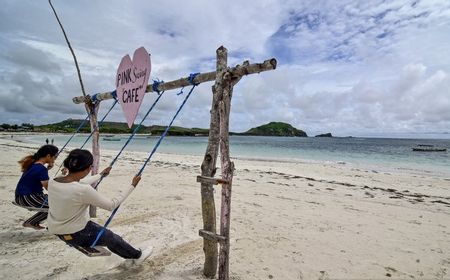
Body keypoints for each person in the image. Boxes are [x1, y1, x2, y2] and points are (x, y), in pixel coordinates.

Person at [47, 149, 152, 263]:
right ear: (88, 168)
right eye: (91, 166)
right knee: (111, 237)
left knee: (105, 235)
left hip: (56, 229)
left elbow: (77, 183)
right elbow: (111, 205)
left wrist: (100, 175)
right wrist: (132, 185)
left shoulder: (54, 180)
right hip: (76, 233)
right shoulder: (83, 190)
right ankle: (137, 257)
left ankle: (128, 256)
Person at [15, 144, 59, 230]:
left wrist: (48, 167)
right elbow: (48, 188)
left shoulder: (33, 164)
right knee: (56, 205)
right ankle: (32, 222)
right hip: (27, 197)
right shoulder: (41, 169)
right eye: (55, 156)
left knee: (55, 201)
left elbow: (36, 176)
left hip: (21, 196)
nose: (55, 159)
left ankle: (33, 222)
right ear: (48, 156)